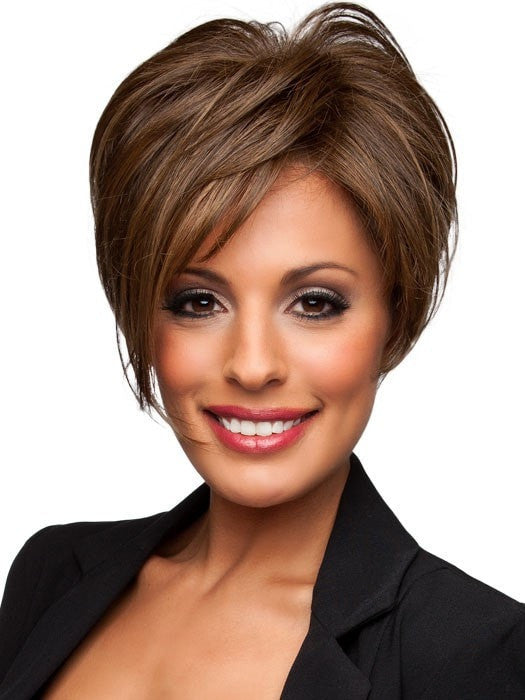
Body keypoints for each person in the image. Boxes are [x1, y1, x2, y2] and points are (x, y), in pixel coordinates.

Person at [0, 2, 523, 698]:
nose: (251, 365)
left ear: (396, 317)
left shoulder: (474, 656)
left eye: (315, 303)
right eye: (198, 302)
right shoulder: (51, 574)